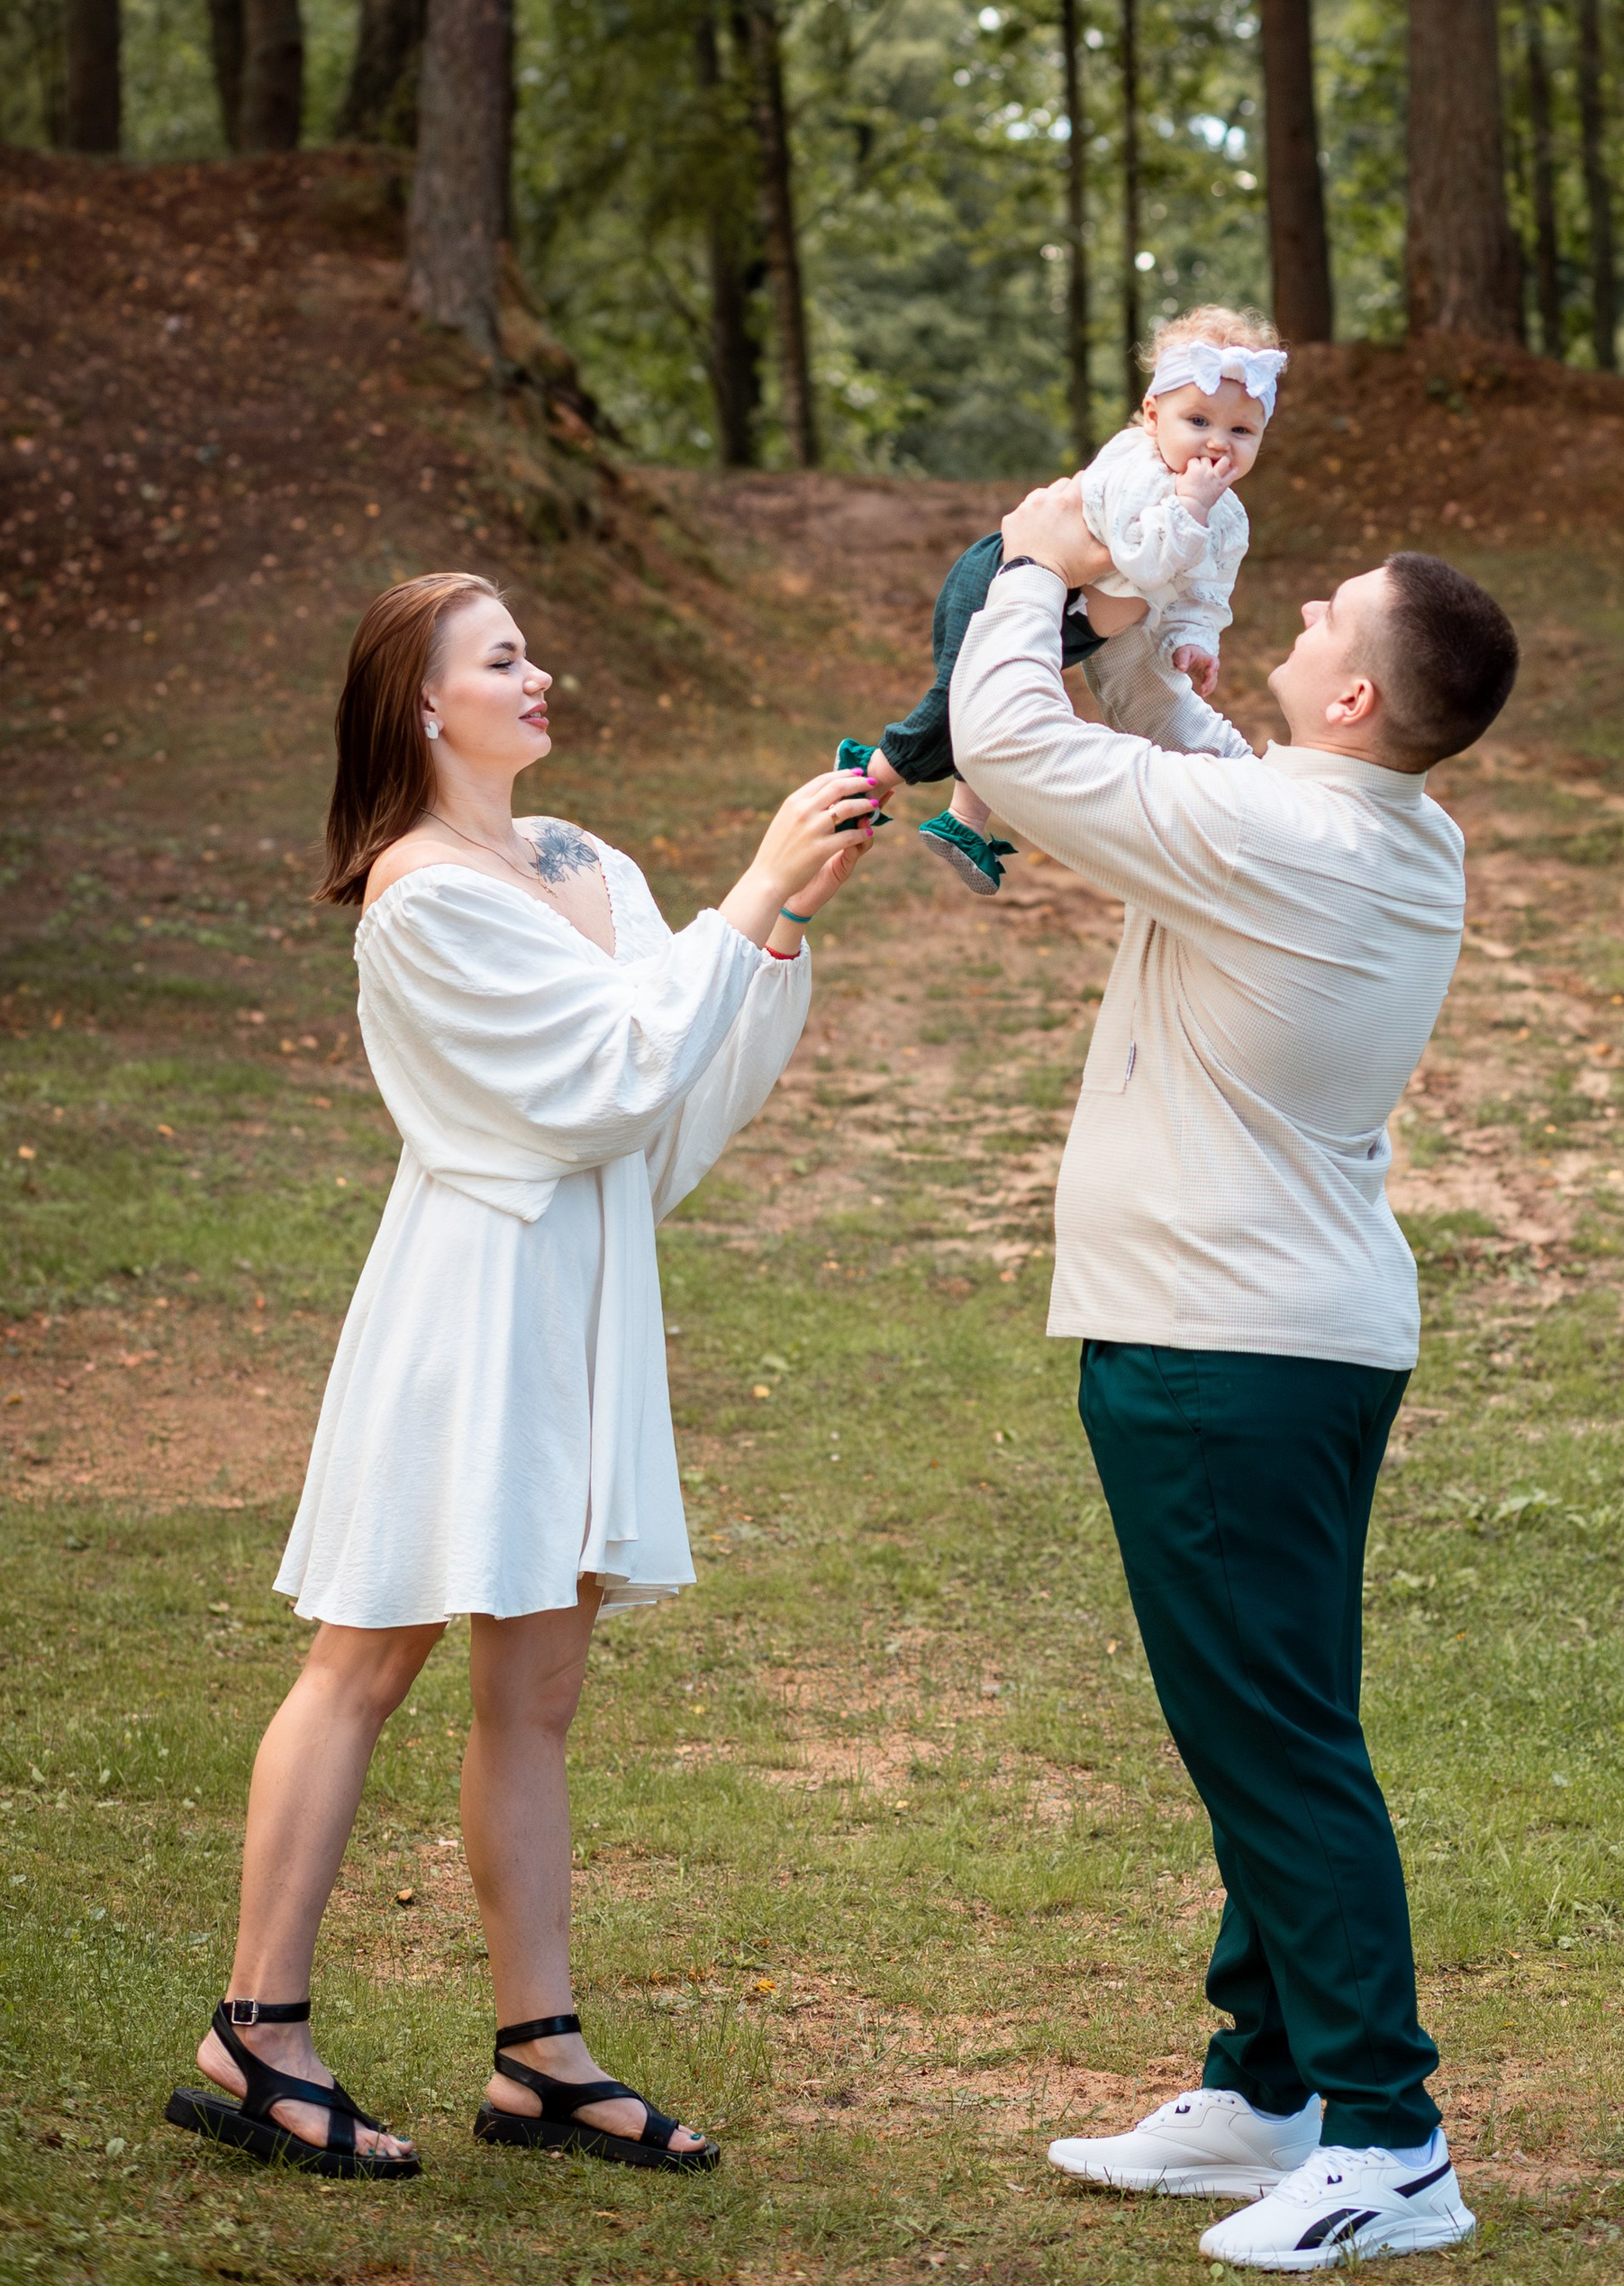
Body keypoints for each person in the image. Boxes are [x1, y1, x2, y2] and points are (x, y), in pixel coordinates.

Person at [165, 571, 875, 2183]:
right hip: (472, 1302)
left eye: (530, 650)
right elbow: (604, 1074)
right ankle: (256, 2031)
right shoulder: (421, 898)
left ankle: (539, 2052)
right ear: (426, 702)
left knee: (538, 1687)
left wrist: (781, 920)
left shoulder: (581, 859)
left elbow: (676, 1091)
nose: (538, 673)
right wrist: (753, 880)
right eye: (503, 658)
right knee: (367, 1658)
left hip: (583, 1292)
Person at [948, 496, 1520, 2271]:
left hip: (1220, 1352)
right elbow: (1203, 772)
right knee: (1277, 1720)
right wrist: (1150, 656)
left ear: (1353, 699)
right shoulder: (1377, 823)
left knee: (1272, 1742)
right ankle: (1268, 2086)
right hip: (1293, 1341)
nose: (1304, 610)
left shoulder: (1289, 836)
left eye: (1330, 611)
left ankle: (1389, 2137)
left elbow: (1006, 746)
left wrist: (1031, 562)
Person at [838, 305, 1283, 895]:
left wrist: (1193, 638)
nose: (1218, 444)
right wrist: (1190, 506)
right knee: (960, 704)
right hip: (1007, 578)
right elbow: (1144, 561)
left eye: (1241, 432)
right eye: (1198, 421)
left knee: (1001, 704)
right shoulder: (1140, 469)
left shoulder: (1225, 516)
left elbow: (1203, 588)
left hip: (1074, 618)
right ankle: (863, 776)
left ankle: (961, 820)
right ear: (1154, 416)